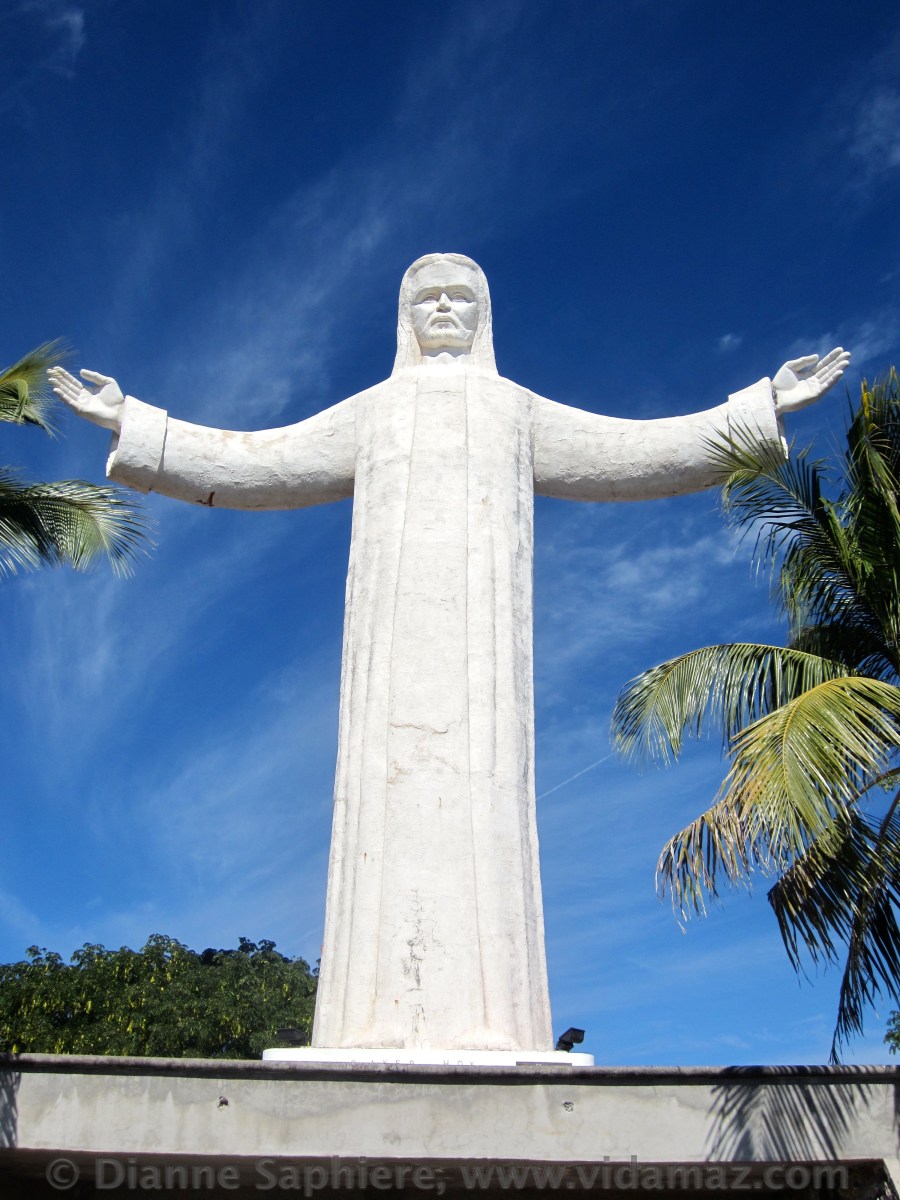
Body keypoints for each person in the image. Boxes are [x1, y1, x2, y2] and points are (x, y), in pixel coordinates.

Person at [50, 253, 849, 1054]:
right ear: (405, 316)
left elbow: (634, 451)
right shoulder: (376, 411)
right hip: (385, 667)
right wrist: (136, 426)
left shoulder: (513, 410)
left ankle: (492, 1024)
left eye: (458, 297)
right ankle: (364, 1027)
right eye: (425, 297)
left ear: (482, 315)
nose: (441, 308)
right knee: (376, 818)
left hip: (483, 672)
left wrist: (760, 409)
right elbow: (260, 461)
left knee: (485, 821)